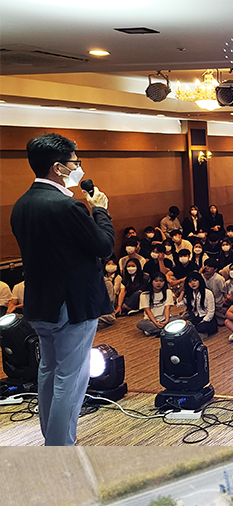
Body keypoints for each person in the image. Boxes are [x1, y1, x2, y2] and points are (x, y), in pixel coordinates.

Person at [10, 133, 115, 445]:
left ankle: (52, 439)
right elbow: (104, 246)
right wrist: (100, 210)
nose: (78, 168)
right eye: (74, 162)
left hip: (41, 304)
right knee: (71, 380)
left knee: (48, 372)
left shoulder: (21, 204)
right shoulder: (67, 206)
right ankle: (59, 448)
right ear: (58, 167)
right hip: (73, 305)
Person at [136, 272, 176, 337]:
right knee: (140, 324)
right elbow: (148, 311)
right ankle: (166, 329)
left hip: (165, 318)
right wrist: (155, 322)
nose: (158, 283)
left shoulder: (168, 292)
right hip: (151, 320)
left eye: (161, 281)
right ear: (151, 281)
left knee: (179, 319)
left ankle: (156, 330)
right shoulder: (144, 295)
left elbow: (167, 308)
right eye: (156, 281)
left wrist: (166, 321)